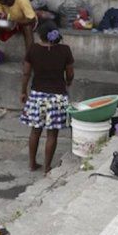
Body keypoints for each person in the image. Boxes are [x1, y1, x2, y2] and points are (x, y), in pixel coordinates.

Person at [19, 21, 74, 174]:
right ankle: (47, 167)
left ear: (40, 36)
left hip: (37, 95)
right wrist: (68, 82)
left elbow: (26, 73)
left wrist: (23, 91)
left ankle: (32, 164)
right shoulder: (65, 50)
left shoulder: (33, 49)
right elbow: (70, 73)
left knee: (35, 131)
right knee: (52, 134)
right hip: (57, 97)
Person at [0, 0, 37, 68]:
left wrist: (16, 22)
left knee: (28, 28)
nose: (3, 5)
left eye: (5, 3)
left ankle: (28, 60)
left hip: (24, 21)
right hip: (11, 21)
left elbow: (32, 19)